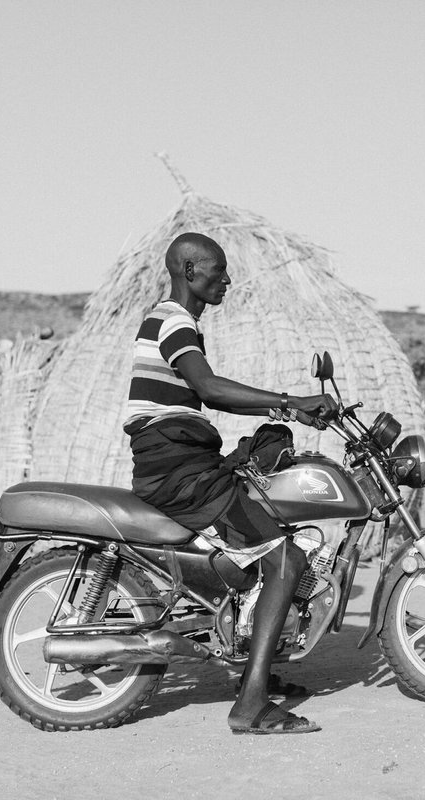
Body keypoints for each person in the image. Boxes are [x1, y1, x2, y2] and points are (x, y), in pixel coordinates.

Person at [123, 232, 336, 735]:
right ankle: (251, 704)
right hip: (179, 470)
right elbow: (209, 388)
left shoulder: (176, 322)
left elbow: (209, 395)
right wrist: (295, 402)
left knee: (271, 528)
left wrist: (289, 409)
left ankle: (256, 664)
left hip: (186, 460)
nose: (227, 280)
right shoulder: (173, 321)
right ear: (190, 271)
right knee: (286, 558)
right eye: (219, 271)